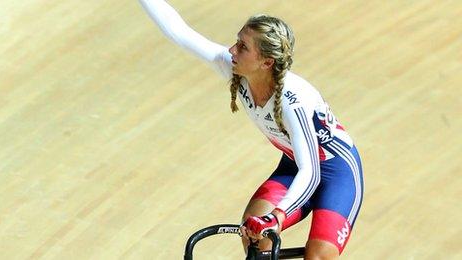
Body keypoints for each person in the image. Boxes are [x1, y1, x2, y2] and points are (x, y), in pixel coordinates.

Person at [138, 0, 364, 259]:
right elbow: (179, 31)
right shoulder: (235, 67)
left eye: (243, 47)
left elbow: (311, 173)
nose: (232, 50)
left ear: (266, 63)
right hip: (295, 167)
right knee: (254, 234)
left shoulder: (293, 100)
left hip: (336, 175)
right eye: (237, 41)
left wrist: (277, 216)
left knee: (319, 255)